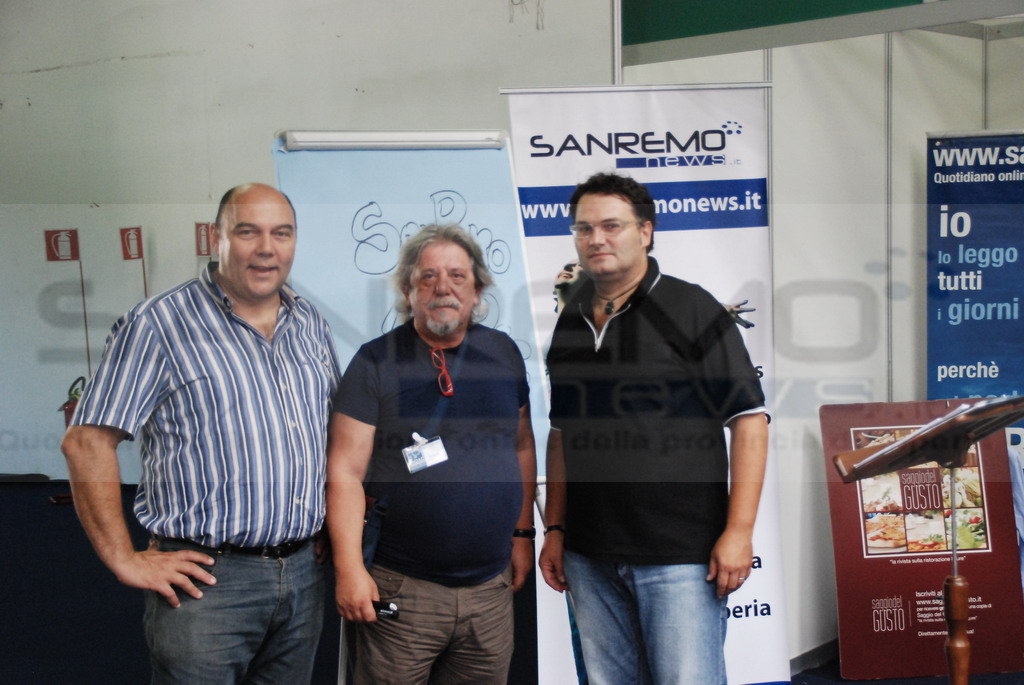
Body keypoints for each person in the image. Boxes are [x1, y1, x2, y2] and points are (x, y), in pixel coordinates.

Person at [61, 183, 341, 684]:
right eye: (248, 232)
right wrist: (124, 559)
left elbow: (327, 433)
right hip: (208, 584)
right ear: (216, 238)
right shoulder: (159, 324)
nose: (267, 248)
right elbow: (86, 442)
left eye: (281, 233)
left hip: (303, 575)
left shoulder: (310, 323)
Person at [538, 172, 769, 685]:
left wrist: (739, 531)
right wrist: (555, 529)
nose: (596, 239)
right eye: (584, 228)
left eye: (611, 226)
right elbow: (561, 435)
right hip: (589, 556)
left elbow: (749, 421)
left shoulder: (692, 308)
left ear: (645, 232)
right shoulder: (571, 320)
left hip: (680, 556)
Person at [326, 224, 537, 685]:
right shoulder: (374, 363)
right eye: (428, 276)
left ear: (477, 290)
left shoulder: (503, 354)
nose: (443, 287)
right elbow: (343, 470)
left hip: (490, 592)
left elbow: (522, 443)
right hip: (402, 589)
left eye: (457, 276)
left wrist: (523, 535)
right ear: (408, 290)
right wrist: (349, 569)